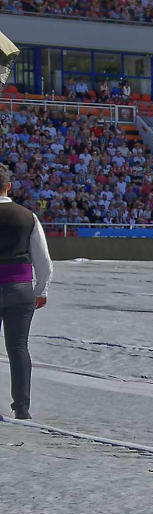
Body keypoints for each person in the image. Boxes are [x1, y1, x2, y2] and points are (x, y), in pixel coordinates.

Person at [0, 165, 53, 420]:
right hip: (20, 289)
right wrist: (40, 290)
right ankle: (21, 407)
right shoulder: (28, 216)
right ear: (8, 186)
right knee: (18, 347)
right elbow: (43, 260)